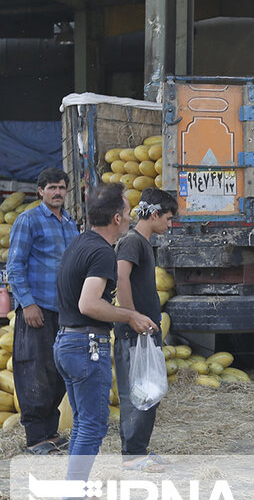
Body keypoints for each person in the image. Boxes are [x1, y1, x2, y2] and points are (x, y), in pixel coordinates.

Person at [55, 184, 156, 482]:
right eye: (127, 213)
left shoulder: (80, 242)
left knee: (84, 425)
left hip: (67, 342)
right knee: (93, 426)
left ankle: (75, 491)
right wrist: (131, 315)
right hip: (86, 345)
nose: (129, 218)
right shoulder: (101, 253)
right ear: (115, 218)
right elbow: (88, 303)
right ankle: (73, 498)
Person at [7, 167, 80, 455]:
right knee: (34, 370)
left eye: (61, 187)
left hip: (65, 311)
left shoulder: (70, 223)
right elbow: (14, 266)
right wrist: (28, 304)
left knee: (58, 370)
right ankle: (36, 437)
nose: (57, 192)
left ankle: (51, 433)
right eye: (51, 188)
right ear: (40, 191)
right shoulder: (29, 221)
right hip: (38, 309)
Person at [113, 188, 178, 473]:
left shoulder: (142, 243)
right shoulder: (131, 242)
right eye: (168, 218)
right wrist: (131, 316)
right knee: (135, 394)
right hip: (133, 332)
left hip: (143, 331)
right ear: (154, 214)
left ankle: (139, 449)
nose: (169, 224)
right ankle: (133, 455)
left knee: (148, 392)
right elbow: (120, 276)